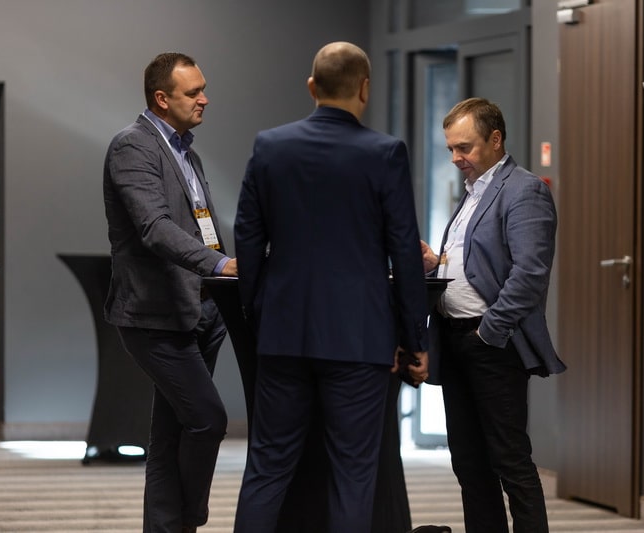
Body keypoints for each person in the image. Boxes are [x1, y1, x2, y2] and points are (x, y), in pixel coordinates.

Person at [233, 41, 430, 533]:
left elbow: (248, 238)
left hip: (283, 334)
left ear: (311, 86)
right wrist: (414, 338)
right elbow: (405, 251)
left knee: (267, 466)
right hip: (359, 339)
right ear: (365, 88)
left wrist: (256, 312)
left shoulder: (269, 147)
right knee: (353, 475)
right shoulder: (385, 153)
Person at [102, 52, 237, 533]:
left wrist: (223, 275)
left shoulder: (187, 152)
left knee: (169, 436)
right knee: (208, 420)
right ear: (162, 98)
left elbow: (202, 228)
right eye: (193, 92)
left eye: (203, 89)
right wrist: (221, 264)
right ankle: (188, 519)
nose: (205, 99)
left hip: (200, 310)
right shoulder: (132, 146)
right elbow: (154, 228)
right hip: (155, 316)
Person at [421, 97, 566, 533]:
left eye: (463, 147)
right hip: (454, 340)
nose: (455, 157)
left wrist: (489, 331)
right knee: (469, 463)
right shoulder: (471, 193)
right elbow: (477, 265)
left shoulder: (524, 190)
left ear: (496, 139)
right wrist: (436, 264)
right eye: (450, 148)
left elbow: (530, 273)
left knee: (510, 461)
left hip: (492, 344)